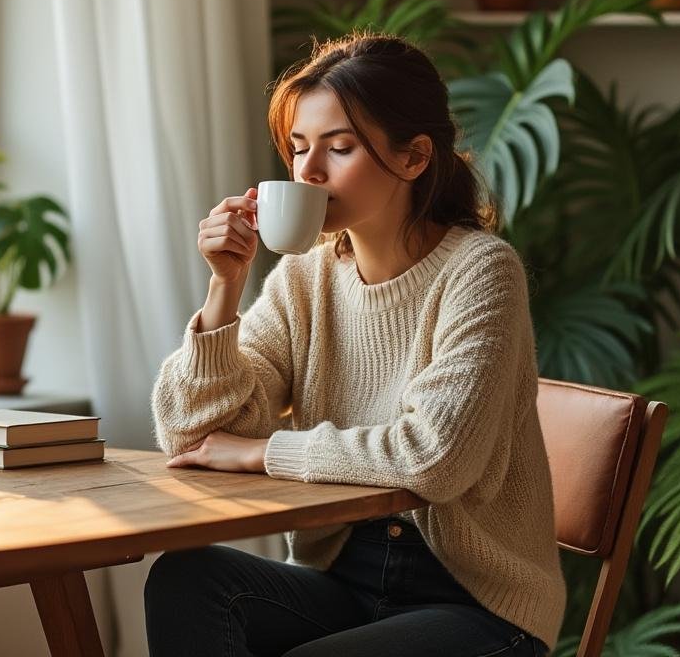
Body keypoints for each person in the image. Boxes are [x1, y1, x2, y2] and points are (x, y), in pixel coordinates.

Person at [144, 33, 564, 656]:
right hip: (348, 586)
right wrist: (224, 289)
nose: (309, 172)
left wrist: (263, 454)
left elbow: (433, 459)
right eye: (297, 148)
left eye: (339, 148)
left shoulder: (481, 272)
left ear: (416, 156)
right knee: (186, 579)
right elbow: (193, 434)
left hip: (477, 603)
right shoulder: (305, 279)